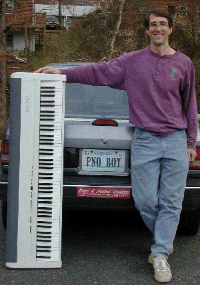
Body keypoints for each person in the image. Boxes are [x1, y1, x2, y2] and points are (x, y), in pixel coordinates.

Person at [35, 8, 198, 283]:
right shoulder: (131, 62)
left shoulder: (184, 64)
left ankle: (160, 254)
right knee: (145, 201)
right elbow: (96, 72)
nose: (158, 29)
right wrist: (60, 73)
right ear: (147, 31)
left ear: (170, 30)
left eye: (163, 25)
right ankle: (164, 237)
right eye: (153, 25)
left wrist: (190, 141)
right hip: (145, 139)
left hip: (175, 140)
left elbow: (190, 105)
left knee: (172, 202)